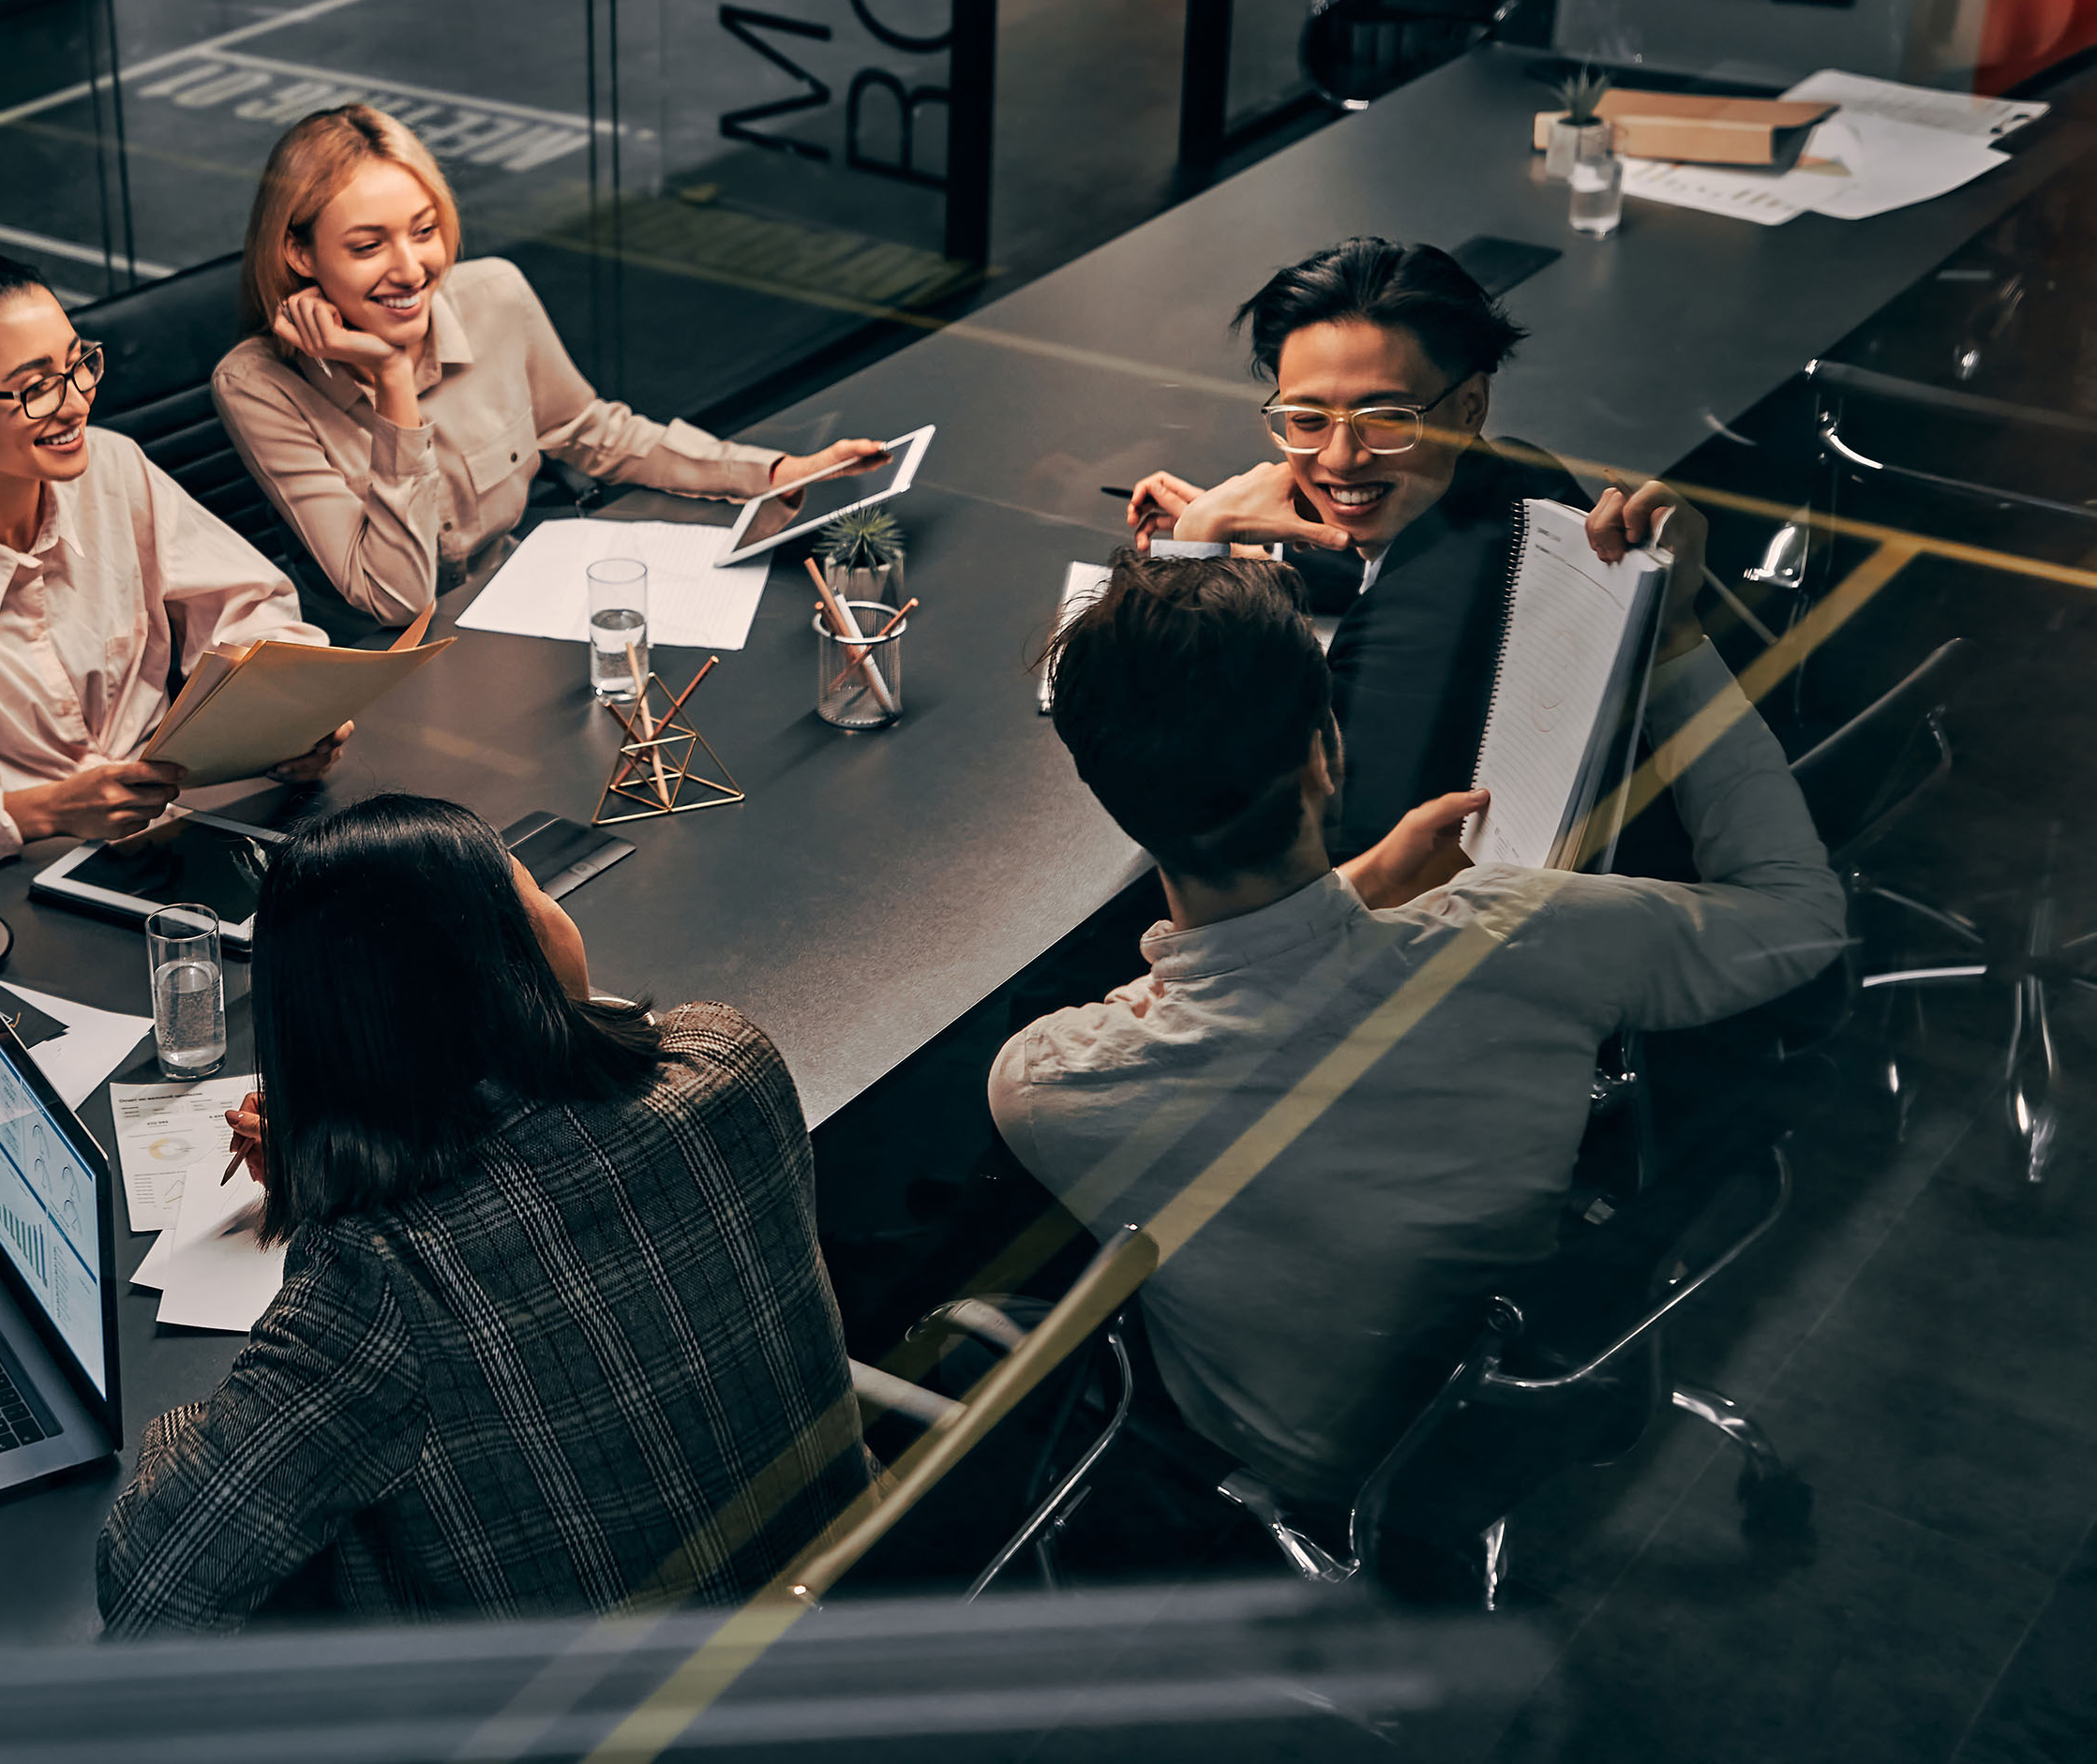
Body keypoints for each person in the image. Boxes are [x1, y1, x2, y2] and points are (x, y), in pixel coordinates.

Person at [990, 533, 1843, 1506]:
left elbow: (1241, 997)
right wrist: (1680, 637)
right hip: (1503, 1391)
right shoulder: (1528, 930)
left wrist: (1365, 883)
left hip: (1272, 1451)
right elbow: (1803, 916)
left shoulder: (1047, 1087)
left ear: (1116, 804)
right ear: (1326, 752)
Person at [97, 794, 872, 1632]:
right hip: (856, 1598)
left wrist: (348, 1166)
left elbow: (152, 1579)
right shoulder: (729, 1060)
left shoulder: (373, 1279)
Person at [211, 106, 887, 625]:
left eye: (425, 231)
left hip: (518, 613)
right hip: (390, 672)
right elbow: (397, 597)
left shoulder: (493, 295)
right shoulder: (256, 385)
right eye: (368, 246)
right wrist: (392, 381)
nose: (412, 269)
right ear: (299, 255)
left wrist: (767, 474)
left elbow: (594, 432)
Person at [0, 253, 345, 879]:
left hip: (182, 828)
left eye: (78, 363)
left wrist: (288, 712)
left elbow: (251, 607)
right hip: (21, 886)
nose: (76, 401)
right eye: (35, 388)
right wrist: (40, 811)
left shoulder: (113, 467)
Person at [1118, 237, 1604, 856]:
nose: (1341, 458)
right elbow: (1386, 557)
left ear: (1470, 406)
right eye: (1307, 419)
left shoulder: (1422, 623)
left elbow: (1229, 806)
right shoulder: (1514, 479)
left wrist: (1195, 555)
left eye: (1386, 418)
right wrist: (1255, 549)